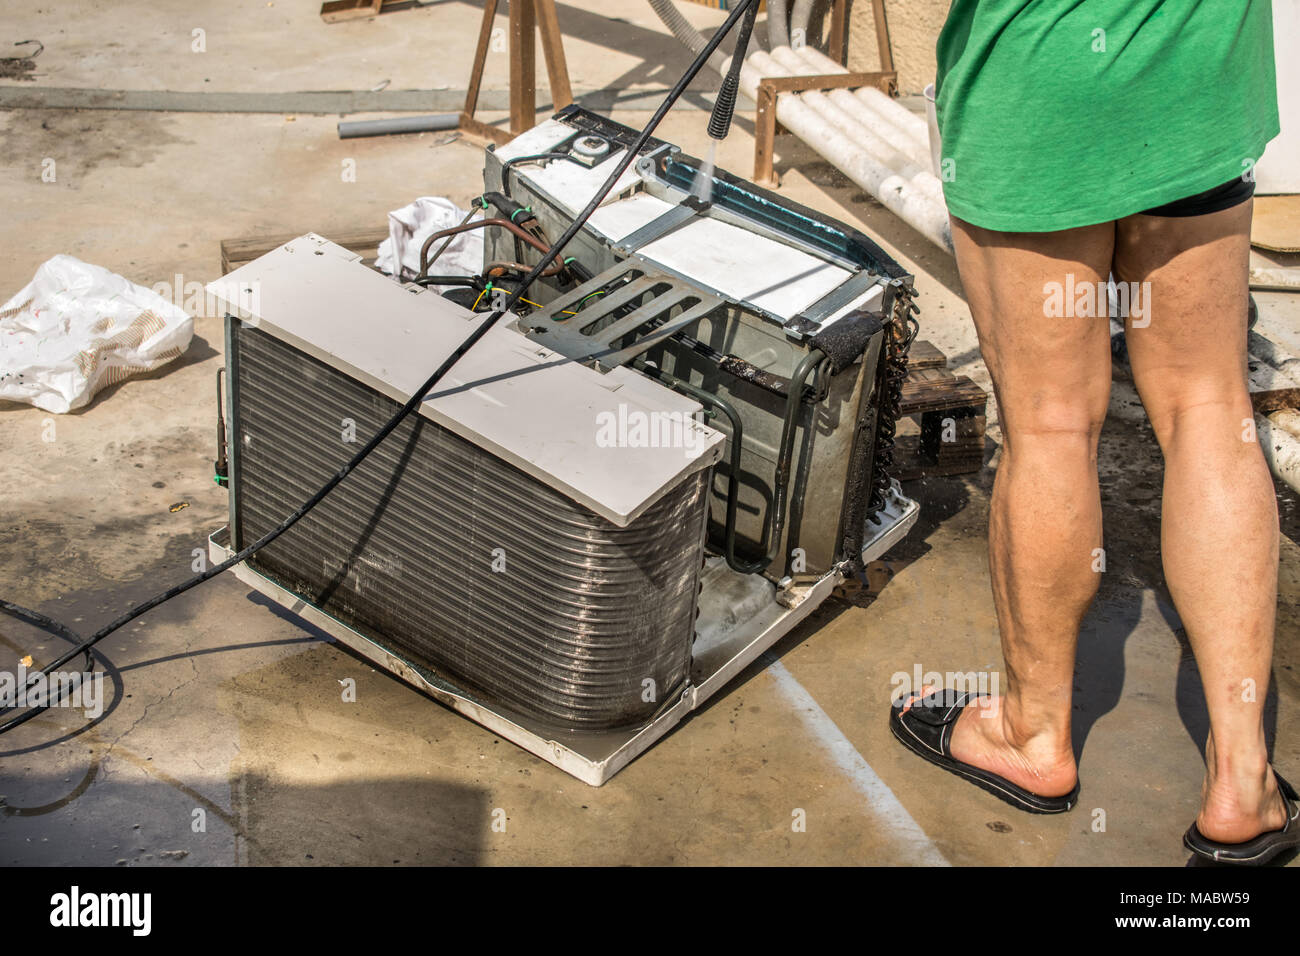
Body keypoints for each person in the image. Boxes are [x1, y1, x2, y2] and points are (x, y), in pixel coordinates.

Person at [888, 0, 1297, 865]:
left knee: (1047, 425)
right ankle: (1243, 780)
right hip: (1195, 75)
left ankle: (1033, 735)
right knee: (1210, 416)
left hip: (1041, 86)